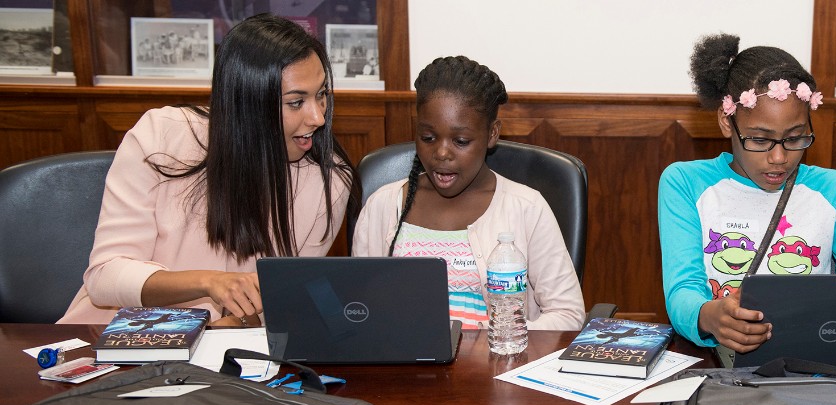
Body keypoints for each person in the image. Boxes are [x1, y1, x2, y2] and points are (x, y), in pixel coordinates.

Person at [659, 33, 836, 371]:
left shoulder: (833, 189)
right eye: (759, 139)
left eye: (795, 138)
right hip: (723, 370)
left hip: (816, 369)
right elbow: (682, 291)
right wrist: (709, 316)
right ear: (725, 121)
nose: (779, 158)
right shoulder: (685, 183)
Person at [59, 14, 356, 326]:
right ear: (247, 102)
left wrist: (236, 324)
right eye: (296, 102)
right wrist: (209, 282)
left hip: (225, 346)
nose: (317, 117)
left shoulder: (330, 179)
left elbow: (286, 298)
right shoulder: (162, 136)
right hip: (113, 335)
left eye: (321, 95)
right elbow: (105, 278)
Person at [351, 56, 585, 331]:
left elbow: (568, 314)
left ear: (492, 134)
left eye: (461, 141)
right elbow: (357, 307)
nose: (441, 153)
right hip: (403, 357)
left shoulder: (526, 208)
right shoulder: (383, 205)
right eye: (428, 138)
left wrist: (496, 336)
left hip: (496, 356)